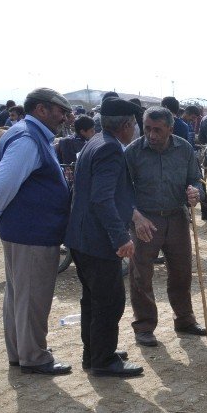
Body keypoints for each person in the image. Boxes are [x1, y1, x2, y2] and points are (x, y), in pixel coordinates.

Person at [0, 88, 73, 375]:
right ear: (42, 110)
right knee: (32, 297)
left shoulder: (27, 133)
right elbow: (4, 182)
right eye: (59, 110)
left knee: (19, 295)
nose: (64, 116)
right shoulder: (28, 139)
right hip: (32, 233)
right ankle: (34, 357)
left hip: (25, 231)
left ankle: (20, 353)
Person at [63, 98, 145, 377]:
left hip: (82, 239)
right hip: (98, 242)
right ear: (125, 125)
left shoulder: (96, 141)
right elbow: (102, 199)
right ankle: (104, 360)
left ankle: (95, 352)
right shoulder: (110, 149)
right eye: (134, 124)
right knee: (110, 302)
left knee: (93, 300)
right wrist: (121, 237)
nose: (135, 130)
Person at [124, 106, 207, 347]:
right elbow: (122, 190)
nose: (151, 135)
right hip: (145, 221)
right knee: (141, 275)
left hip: (177, 218)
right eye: (148, 128)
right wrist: (135, 216)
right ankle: (144, 327)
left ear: (170, 128)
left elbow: (196, 179)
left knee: (182, 272)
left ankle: (184, 320)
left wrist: (196, 192)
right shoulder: (133, 152)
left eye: (158, 130)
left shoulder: (184, 149)